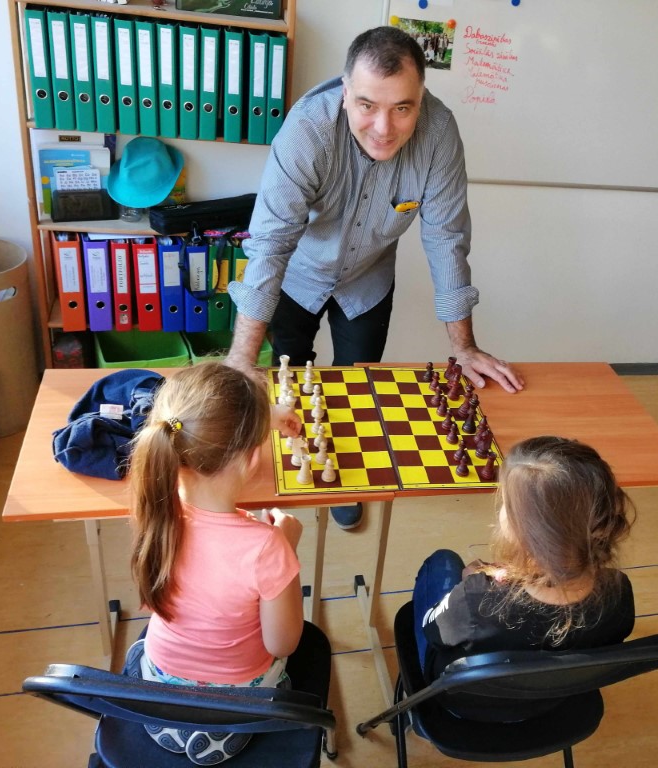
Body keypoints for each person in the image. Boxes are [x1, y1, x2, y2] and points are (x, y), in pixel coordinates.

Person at [225, 26, 524, 532]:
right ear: (345, 92)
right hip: (295, 276)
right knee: (287, 378)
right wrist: (240, 358)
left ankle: (344, 481)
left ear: (421, 97)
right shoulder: (307, 130)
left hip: (368, 280)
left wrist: (464, 347)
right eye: (367, 105)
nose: (383, 127)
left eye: (402, 108)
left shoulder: (440, 135)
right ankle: (296, 467)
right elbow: (271, 244)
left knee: (357, 388)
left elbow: (447, 239)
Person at [127, 363, 305, 765]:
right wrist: (287, 549)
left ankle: (175, 718)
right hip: (238, 689)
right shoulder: (267, 547)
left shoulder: (156, 508)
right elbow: (282, 644)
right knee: (278, 667)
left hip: (160, 673)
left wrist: (264, 419)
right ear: (253, 458)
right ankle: (222, 724)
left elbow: (200, 431)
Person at [413, 436, 636, 720]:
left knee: (442, 561)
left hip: (462, 703)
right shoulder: (619, 594)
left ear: (524, 531)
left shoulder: (476, 597)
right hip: (552, 705)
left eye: (506, 505)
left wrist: (465, 584)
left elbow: (432, 632)